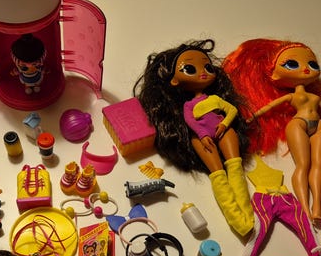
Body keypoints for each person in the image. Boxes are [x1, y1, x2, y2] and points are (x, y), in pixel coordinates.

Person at [134, 39, 253, 236]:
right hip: (200, 136)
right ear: (174, 80)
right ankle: (238, 219)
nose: (203, 72)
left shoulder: (215, 99)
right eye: (189, 69)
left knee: (235, 165)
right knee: (217, 171)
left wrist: (224, 124)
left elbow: (231, 110)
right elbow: (191, 122)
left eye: (207, 67)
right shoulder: (188, 106)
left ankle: (246, 214)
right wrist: (203, 134)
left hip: (224, 130)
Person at [224, 39, 321, 224]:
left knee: (318, 165)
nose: (306, 69)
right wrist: (252, 117)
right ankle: (305, 209)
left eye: (313, 65)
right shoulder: (291, 96)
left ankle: (317, 207)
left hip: (318, 126)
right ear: (274, 74)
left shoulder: (314, 96)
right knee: (304, 165)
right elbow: (269, 107)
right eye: (292, 64)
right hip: (299, 123)